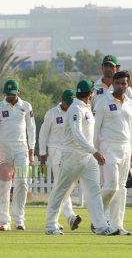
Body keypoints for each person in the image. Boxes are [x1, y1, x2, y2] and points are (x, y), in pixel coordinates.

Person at [45, 80, 119, 236]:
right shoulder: (75, 109)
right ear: (90, 93)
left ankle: (100, 226)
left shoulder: (85, 107)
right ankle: (51, 225)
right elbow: (77, 134)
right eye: (93, 92)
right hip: (72, 155)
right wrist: (94, 151)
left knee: (94, 191)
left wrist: (92, 152)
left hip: (87, 157)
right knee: (62, 190)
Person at [0, 79, 36, 231]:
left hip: (21, 148)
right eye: (7, 94)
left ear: (17, 93)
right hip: (5, 149)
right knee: (3, 184)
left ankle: (19, 219)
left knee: (22, 182)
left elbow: (31, 129)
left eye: (12, 94)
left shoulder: (26, 106)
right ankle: (4, 221)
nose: (10, 97)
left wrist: (31, 150)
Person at [93, 71, 132, 235]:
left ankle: (117, 225)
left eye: (124, 83)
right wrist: (95, 151)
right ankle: (97, 218)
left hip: (125, 148)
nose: (121, 86)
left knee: (122, 188)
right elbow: (95, 130)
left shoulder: (130, 103)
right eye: (118, 83)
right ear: (113, 84)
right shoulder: (103, 101)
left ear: (127, 85)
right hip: (108, 148)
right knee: (112, 185)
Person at [39, 89, 79, 231]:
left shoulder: (75, 111)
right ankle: (70, 216)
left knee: (61, 186)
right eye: (67, 102)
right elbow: (43, 134)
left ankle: (54, 218)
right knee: (62, 184)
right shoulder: (52, 113)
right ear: (61, 100)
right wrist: (42, 155)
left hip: (70, 152)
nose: (69, 106)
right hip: (55, 152)